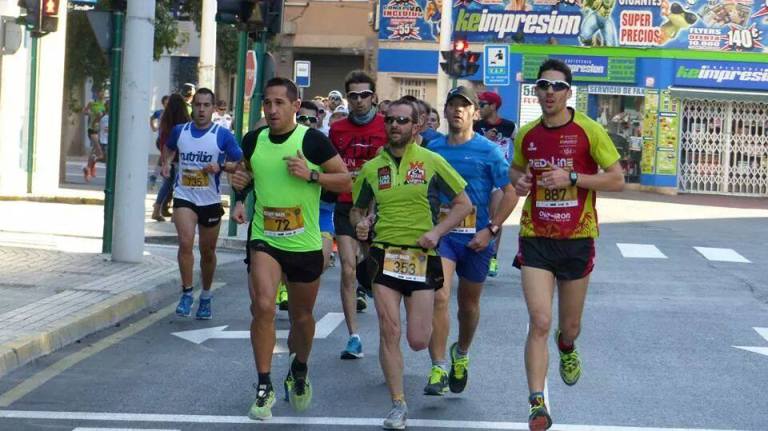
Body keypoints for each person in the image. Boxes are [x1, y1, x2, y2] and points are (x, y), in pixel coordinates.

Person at [510, 59, 623, 430]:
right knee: (539, 321)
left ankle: (568, 346)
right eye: (542, 86)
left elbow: (616, 179)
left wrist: (573, 177)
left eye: (556, 87)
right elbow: (516, 170)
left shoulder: (589, 130)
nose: (549, 93)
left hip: (577, 237)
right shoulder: (526, 133)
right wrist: (521, 181)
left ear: (568, 92)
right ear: (537, 91)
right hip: (536, 235)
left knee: (568, 326)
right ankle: (536, 403)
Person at [234, 77, 351, 420]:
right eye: (267, 103)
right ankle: (263, 384)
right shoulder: (253, 139)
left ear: (295, 107)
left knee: (301, 318)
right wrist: (240, 194)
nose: (271, 110)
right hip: (265, 238)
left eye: (279, 103)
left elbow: (346, 180)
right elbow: (246, 173)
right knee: (264, 307)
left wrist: (311, 176)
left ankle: (299, 367)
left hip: (304, 243)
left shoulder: (312, 142)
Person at [351, 98, 472, 430]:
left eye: (402, 121)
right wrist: (362, 223)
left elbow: (463, 204)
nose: (394, 125)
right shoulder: (373, 168)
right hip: (384, 254)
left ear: (417, 127)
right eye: (390, 119)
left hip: (421, 258)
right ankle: (398, 405)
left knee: (418, 339)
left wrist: (436, 232)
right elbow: (357, 209)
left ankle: (437, 355)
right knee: (390, 330)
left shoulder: (433, 162)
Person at [424, 86, 518, 397]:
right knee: (439, 297)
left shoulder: (488, 151)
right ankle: (437, 367)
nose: (456, 111)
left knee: (468, 306)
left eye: (464, 106)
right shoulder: (433, 148)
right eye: (452, 105)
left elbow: (510, 193)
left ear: (475, 114)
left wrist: (490, 229)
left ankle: (461, 353)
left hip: (476, 239)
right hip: (444, 237)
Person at [161, 88, 243, 321]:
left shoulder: (222, 134)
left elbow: (239, 161)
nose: (201, 110)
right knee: (186, 243)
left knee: (207, 252)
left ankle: (205, 295)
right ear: (192, 107)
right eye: (197, 105)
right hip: (184, 196)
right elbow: (169, 146)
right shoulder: (180, 131)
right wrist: (167, 163)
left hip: (210, 200)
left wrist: (221, 166)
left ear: (213, 108)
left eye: (206, 105)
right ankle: (187, 293)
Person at [329, 70, 388, 359]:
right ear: (347, 98)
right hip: (345, 205)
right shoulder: (337, 130)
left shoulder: (386, 127)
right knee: (347, 268)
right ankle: (353, 336)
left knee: (374, 272)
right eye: (353, 96)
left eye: (365, 95)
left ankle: (386, 333)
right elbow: (328, 166)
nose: (360, 100)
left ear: (374, 97)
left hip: (378, 209)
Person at [474, 91, 518, 277]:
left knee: (496, 217)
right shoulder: (476, 126)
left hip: (500, 177)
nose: (480, 108)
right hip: (481, 176)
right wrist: (486, 140)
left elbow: (520, 146)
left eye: (483, 104)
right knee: (477, 216)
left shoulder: (509, 126)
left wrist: (517, 169)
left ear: (493, 106)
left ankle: (492, 256)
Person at [152, 94, 191, 222]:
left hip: (167, 157)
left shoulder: (165, 120)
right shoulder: (185, 121)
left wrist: (164, 160)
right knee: (179, 187)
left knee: (167, 185)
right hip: (181, 158)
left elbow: (162, 141)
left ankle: (156, 210)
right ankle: (175, 214)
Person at [82, 89, 107, 181]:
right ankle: (89, 167)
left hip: (101, 132)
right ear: (97, 93)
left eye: (103, 92)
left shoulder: (105, 104)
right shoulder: (92, 103)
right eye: (100, 92)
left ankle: (88, 168)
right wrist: (90, 113)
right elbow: (84, 111)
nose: (102, 94)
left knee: (94, 151)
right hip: (92, 130)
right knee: (99, 152)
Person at [149, 95, 170, 190]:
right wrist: (153, 127)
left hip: (169, 139)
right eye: (166, 103)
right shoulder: (160, 112)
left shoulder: (172, 113)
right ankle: (159, 177)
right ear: (163, 104)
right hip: (162, 140)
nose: (168, 105)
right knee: (164, 158)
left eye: (169, 103)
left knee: (163, 158)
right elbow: (152, 118)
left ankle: (156, 176)